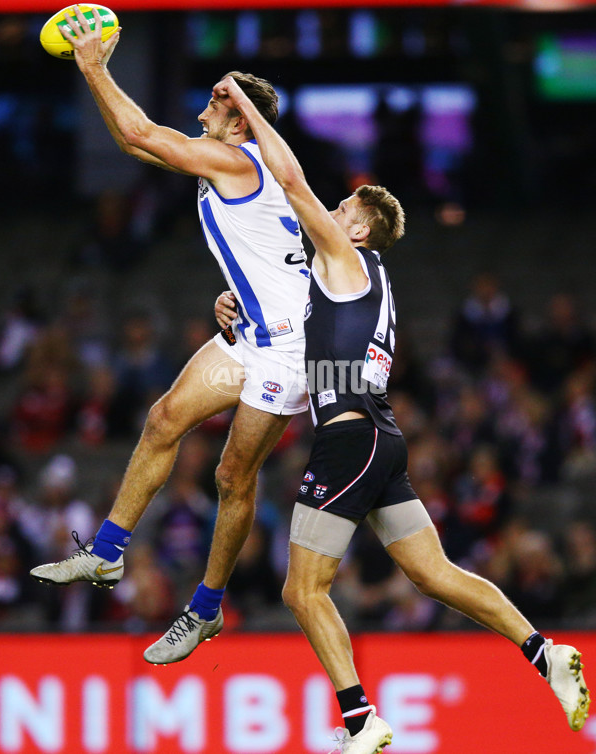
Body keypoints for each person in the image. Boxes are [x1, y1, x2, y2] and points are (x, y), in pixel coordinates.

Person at [211, 76, 590, 753]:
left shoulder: (345, 256)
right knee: (434, 573)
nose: (330, 208)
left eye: (342, 206)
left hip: (350, 440)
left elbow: (292, 182)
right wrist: (234, 308)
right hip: (379, 436)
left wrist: (248, 116)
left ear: (357, 226)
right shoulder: (357, 277)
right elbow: (310, 337)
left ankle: (361, 720)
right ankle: (543, 652)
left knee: (302, 592)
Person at [30, 8, 310, 664]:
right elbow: (277, 247)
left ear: (242, 119)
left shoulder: (237, 158)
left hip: (289, 350)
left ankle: (207, 609)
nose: (206, 100)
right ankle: (103, 556)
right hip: (251, 329)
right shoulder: (236, 163)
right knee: (161, 422)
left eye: (219, 96)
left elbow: (142, 136)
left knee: (233, 477)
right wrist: (240, 292)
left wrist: (94, 66)